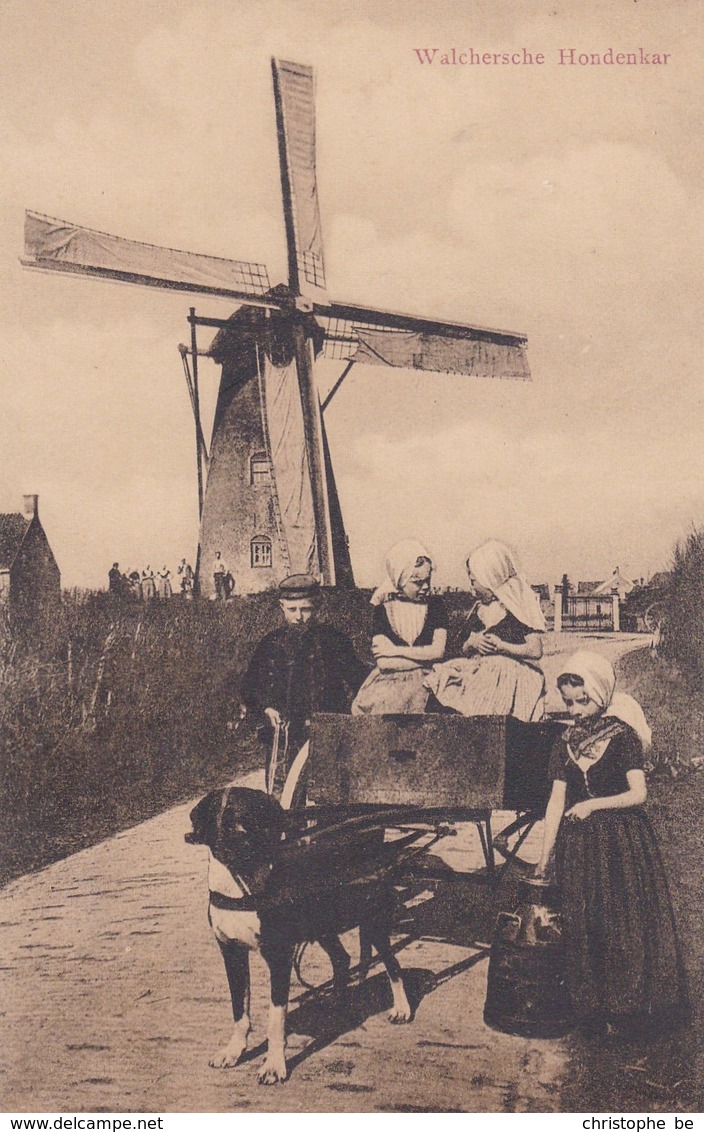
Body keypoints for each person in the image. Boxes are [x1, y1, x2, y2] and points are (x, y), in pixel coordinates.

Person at [536, 651, 690, 1035]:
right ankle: (592, 1010)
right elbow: (556, 803)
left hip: (622, 845)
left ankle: (628, 1011)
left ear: (600, 694)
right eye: (569, 702)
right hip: (581, 850)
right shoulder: (565, 742)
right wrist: (543, 858)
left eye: (582, 700)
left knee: (623, 924)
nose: (575, 710)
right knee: (586, 924)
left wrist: (592, 805)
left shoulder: (623, 737)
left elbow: (638, 794)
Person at [236, 574, 368, 799]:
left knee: (329, 793)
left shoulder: (334, 640)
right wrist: (266, 708)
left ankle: (322, 833)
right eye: (292, 609)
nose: (299, 617)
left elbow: (359, 679)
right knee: (283, 795)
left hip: (327, 727)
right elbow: (251, 686)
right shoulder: (270, 644)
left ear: (316, 606)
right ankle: (287, 831)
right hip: (284, 731)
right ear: (282, 607)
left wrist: (359, 707)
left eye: (306, 609)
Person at [425, 539, 546, 721]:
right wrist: (471, 642)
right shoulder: (478, 609)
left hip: (512, 674)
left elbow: (535, 650)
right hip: (481, 670)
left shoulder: (518, 607)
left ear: (490, 579)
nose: (472, 588)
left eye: (474, 582)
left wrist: (502, 647)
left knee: (487, 691)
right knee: (443, 676)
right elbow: (461, 649)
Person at [351, 539, 448, 715]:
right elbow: (385, 663)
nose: (425, 587)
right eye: (417, 582)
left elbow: (438, 652)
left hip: (430, 678)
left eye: (428, 580)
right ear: (400, 579)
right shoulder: (383, 609)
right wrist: (423, 657)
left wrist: (394, 650)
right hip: (391, 682)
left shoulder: (436, 606)